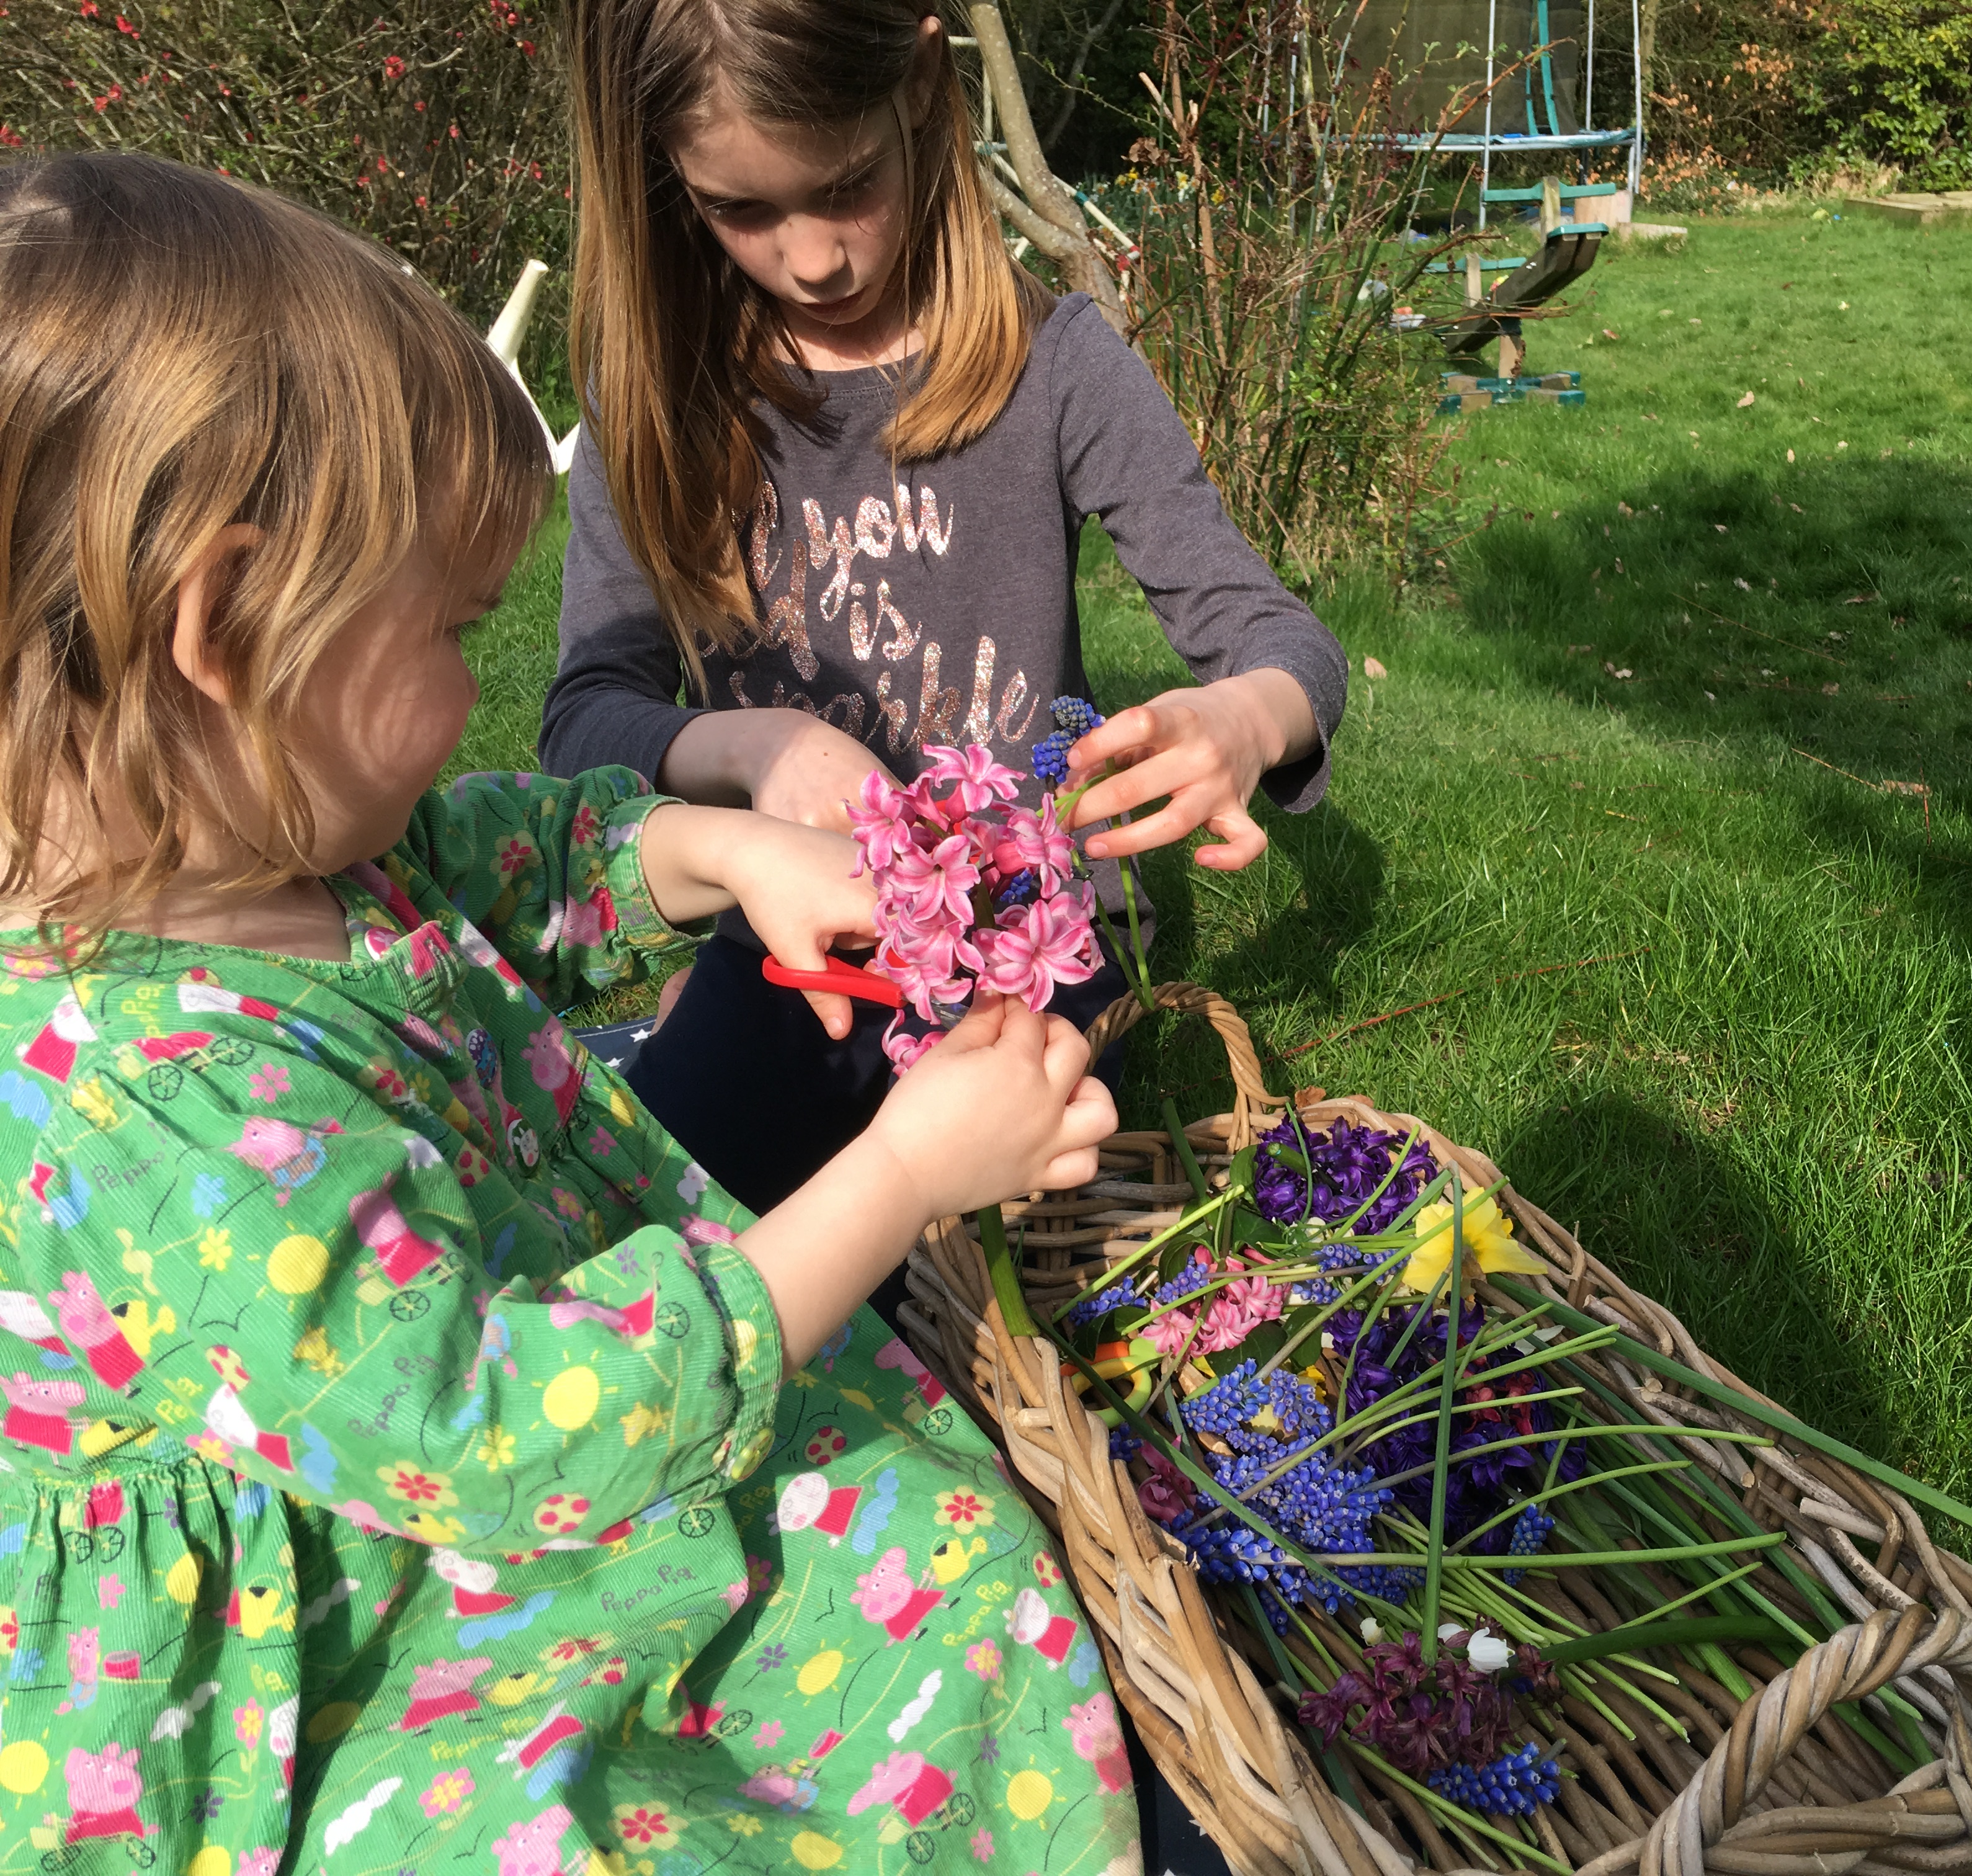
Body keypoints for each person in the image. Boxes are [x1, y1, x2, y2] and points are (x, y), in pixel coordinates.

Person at [0, 151, 1133, 1876]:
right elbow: (509, 1432)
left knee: (886, 1547)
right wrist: (904, 1174)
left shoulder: (252, 848)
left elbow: (480, 859)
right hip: (359, 1629)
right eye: (454, 631)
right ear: (225, 625)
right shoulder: (150, 1117)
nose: (481, 684)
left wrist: (713, 848)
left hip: (467, 1475)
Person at [540, 0, 1349, 1218]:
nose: (811, 257)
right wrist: (758, 743)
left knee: (1004, 1310)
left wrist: (1242, 721)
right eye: (741, 210)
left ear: (922, 85)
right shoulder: (657, 399)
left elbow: (1279, 642)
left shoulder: (1057, 366)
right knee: (654, 1251)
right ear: (662, 174)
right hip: (789, 953)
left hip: (1021, 970)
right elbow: (586, 718)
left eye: (844, 183)